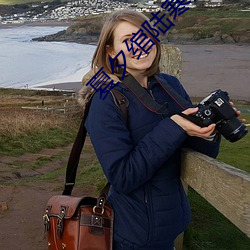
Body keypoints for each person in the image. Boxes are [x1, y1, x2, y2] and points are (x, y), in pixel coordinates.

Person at [78, 10, 240, 250]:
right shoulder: (105, 100)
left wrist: (212, 126)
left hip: (171, 227)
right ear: (110, 51)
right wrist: (174, 126)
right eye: (127, 40)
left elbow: (197, 152)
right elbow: (122, 176)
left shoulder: (169, 85)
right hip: (133, 236)